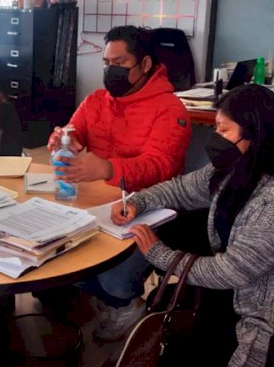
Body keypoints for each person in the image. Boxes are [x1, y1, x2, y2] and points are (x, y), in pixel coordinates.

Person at [125, 85, 274, 366]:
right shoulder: (239, 166)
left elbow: (229, 271)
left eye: (223, 129)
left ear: (254, 135)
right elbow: (183, 189)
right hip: (251, 293)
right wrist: (138, 202)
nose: (215, 137)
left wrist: (159, 254)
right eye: (216, 127)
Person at [43, 25, 192, 340]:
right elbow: (73, 131)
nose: (111, 71)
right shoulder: (97, 100)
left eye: (120, 63)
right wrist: (61, 139)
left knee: (114, 277)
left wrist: (108, 168)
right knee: (52, 249)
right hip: (98, 200)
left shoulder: (171, 109)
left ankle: (124, 304)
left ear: (145, 64)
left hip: (150, 207)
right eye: (107, 63)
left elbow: (161, 166)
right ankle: (88, 295)